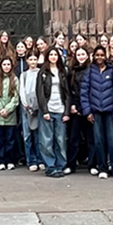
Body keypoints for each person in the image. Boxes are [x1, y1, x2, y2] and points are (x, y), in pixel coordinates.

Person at [81, 46, 113, 179]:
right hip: (95, 111)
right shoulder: (90, 71)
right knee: (98, 141)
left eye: (102, 55)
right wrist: (87, 111)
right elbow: (84, 92)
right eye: (97, 55)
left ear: (105, 56)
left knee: (112, 140)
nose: (99, 57)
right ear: (94, 56)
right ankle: (102, 167)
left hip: (110, 111)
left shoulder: (112, 71)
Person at [35, 48, 70, 177]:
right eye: (51, 54)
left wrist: (67, 112)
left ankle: (61, 165)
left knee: (60, 140)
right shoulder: (43, 72)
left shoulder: (63, 72)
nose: (53, 57)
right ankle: (50, 166)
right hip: (48, 110)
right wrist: (44, 110)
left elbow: (67, 92)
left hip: (60, 109)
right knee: (46, 140)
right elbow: (40, 93)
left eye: (55, 54)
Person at [64, 46, 91, 175]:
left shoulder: (91, 70)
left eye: (83, 54)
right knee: (73, 138)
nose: (81, 57)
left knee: (91, 138)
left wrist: (84, 107)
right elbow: (69, 90)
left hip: (88, 108)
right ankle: (71, 164)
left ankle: (92, 164)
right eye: (78, 54)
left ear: (87, 56)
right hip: (75, 108)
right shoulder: (72, 71)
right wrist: (73, 105)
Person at [0, 57, 21, 170]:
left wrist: (8, 109)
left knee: (10, 139)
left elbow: (16, 97)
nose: (6, 67)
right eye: (4, 64)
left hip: (10, 114)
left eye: (8, 64)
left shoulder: (15, 79)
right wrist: (0, 108)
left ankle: (10, 160)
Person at [19, 53, 43, 172]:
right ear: (27, 61)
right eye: (30, 59)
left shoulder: (41, 73)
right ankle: (31, 160)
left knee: (39, 135)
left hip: (39, 107)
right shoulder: (24, 75)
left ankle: (40, 159)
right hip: (27, 108)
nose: (33, 61)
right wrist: (25, 104)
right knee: (27, 135)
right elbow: (22, 90)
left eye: (35, 59)